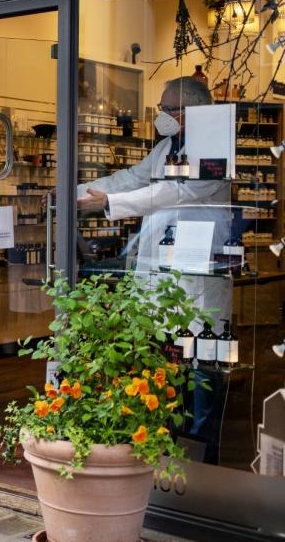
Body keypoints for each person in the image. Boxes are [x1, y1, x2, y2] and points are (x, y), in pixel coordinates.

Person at [76, 75, 232, 461]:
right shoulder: (167, 147)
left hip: (198, 276)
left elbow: (176, 191)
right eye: (162, 107)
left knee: (202, 373)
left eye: (169, 109)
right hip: (165, 274)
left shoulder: (215, 146)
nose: (162, 115)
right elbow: (134, 177)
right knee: (169, 367)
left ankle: (201, 466)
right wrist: (77, 190)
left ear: (194, 111)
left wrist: (111, 201)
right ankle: (167, 455)